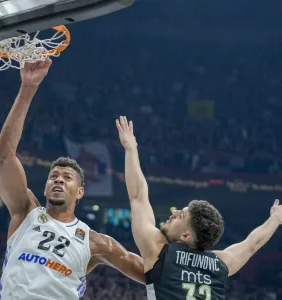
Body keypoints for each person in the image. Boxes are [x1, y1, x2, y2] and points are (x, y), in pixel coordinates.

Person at [0, 60, 144, 300]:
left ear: (80, 192)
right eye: (53, 176)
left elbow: (146, 271)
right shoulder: (25, 212)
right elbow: (4, 158)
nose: (58, 180)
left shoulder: (95, 242)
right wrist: (28, 87)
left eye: (67, 178)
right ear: (45, 186)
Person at [115, 115, 282, 300]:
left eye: (181, 215)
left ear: (186, 236)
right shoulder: (221, 263)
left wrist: (131, 149)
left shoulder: (158, 252)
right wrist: (275, 219)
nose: (174, 212)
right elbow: (252, 244)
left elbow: (138, 197)